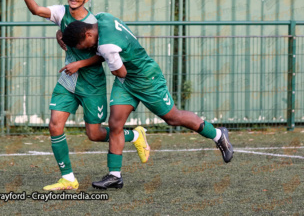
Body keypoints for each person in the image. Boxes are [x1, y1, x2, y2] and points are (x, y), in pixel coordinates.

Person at [62, 13, 234, 190]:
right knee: (115, 124)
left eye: (82, 45)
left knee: (173, 117)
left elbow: (119, 71)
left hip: (146, 78)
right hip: (127, 82)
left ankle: (218, 135)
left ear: (88, 35)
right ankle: (114, 176)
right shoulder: (103, 18)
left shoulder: (106, 46)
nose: (84, 49)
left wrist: (86, 60)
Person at [17, 0, 150, 191]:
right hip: (68, 80)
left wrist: (80, 63)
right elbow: (37, 10)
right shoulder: (61, 12)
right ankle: (68, 178)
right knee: (54, 125)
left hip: (91, 84)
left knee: (94, 134)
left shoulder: (95, 23)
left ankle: (134, 135)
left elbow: (103, 56)